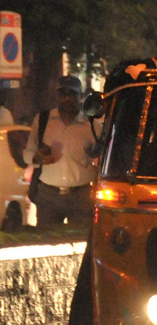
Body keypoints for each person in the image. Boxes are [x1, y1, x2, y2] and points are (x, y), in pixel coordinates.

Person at [22, 75, 97, 228]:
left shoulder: (91, 124)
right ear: (57, 96)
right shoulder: (43, 120)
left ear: (80, 96)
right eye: (63, 94)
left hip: (81, 196)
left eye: (72, 94)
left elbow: (101, 155)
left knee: (81, 241)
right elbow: (27, 154)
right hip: (49, 196)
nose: (67, 98)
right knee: (47, 241)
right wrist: (39, 157)